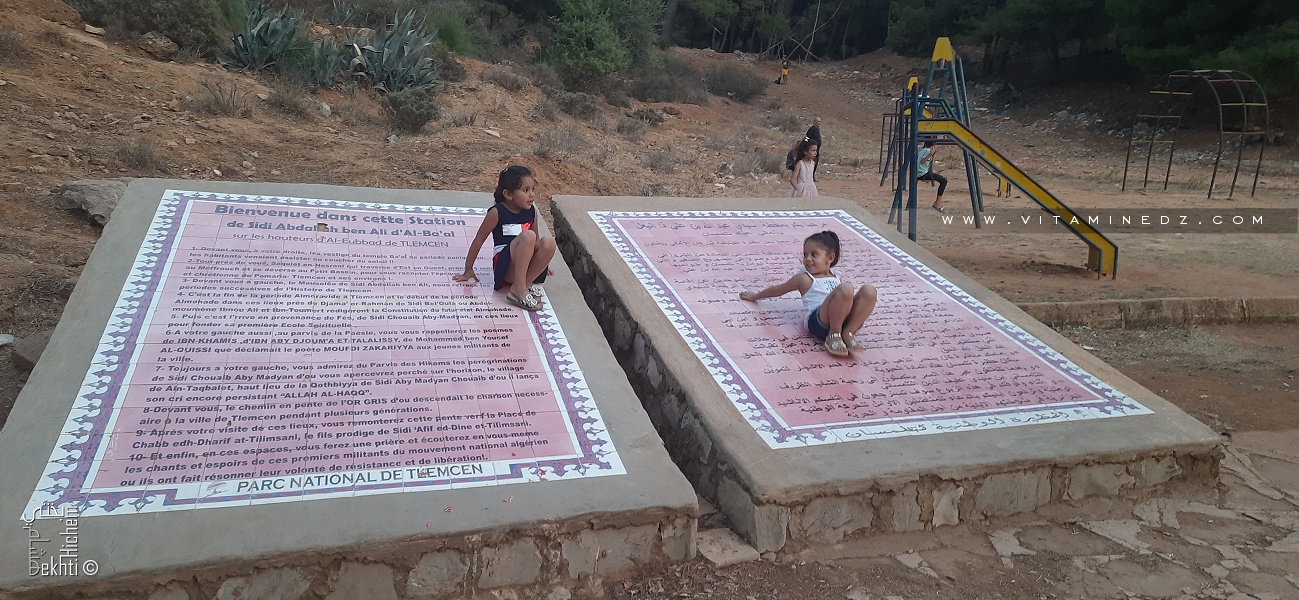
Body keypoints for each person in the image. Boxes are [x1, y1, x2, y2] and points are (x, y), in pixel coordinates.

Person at [739, 231, 877, 358]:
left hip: (843, 322)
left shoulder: (836, 277)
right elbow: (778, 289)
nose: (807, 259)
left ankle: (848, 332)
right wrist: (755, 296)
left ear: (830, 257)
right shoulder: (805, 278)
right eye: (805, 255)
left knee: (869, 290)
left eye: (814, 254)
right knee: (846, 289)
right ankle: (833, 335)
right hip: (820, 323)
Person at [454, 165, 556, 311]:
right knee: (528, 236)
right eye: (526, 190)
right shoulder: (497, 212)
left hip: (525, 264)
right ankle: (519, 289)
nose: (532, 195)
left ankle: (524, 285)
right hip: (506, 264)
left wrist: (542, 263)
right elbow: (479, 240)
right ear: (508, 194)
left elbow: (537, 242)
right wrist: (468, 268)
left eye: (533, 189)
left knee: (549, 242)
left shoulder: (531, 211)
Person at [917, 140, 948, 212]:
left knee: (941, 178)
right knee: (944, 181)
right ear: (933, 146)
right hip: (922, 174)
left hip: (921, 172)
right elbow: (922, 161)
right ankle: (938, 203)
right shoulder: (928, 151)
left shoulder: (923, 150)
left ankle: (938, 202)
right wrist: (930, 154)